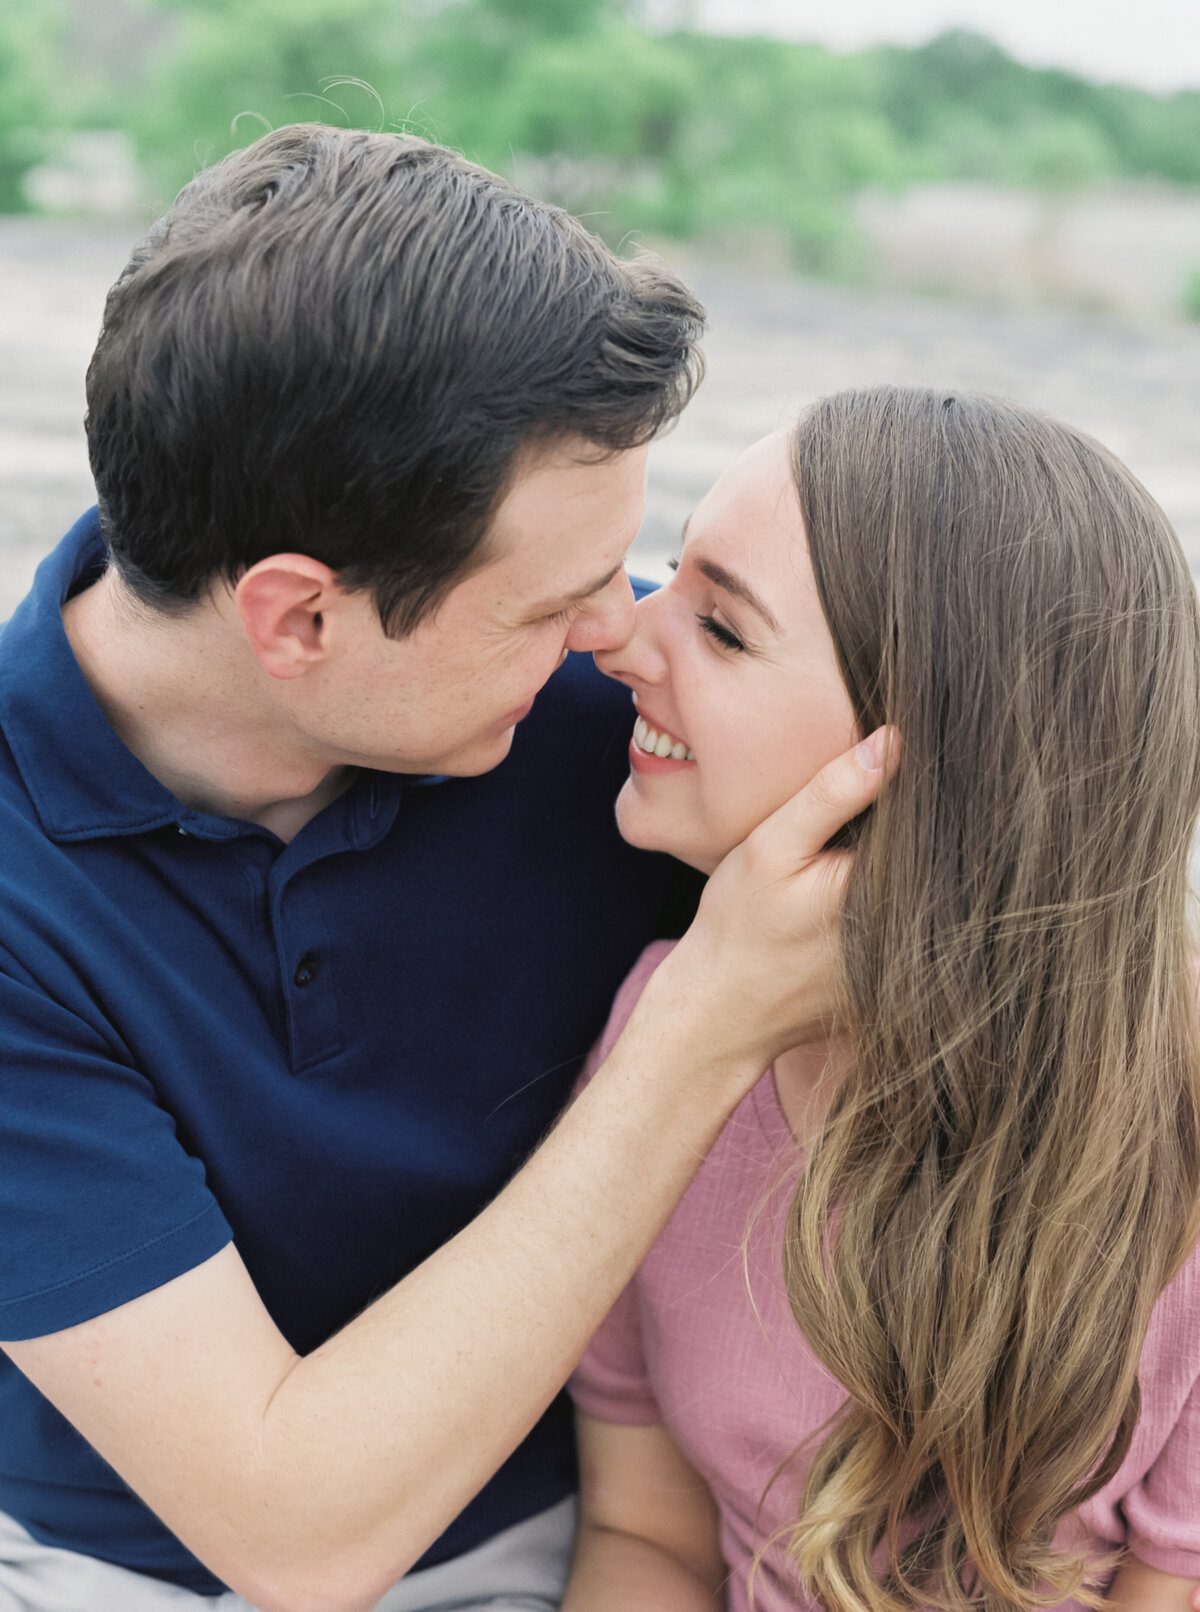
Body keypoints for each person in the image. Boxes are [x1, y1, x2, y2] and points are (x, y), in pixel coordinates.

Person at [0, 127, 887, 1612]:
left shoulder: (613, 702)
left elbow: (1021, 847)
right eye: (556, 601)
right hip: (135, 1566)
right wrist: (705, 1021)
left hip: (586, 1530)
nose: (625, 632)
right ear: (298, 621)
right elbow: (289, 1532)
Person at [563, 387, 1200, 1612]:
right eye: (672, 579)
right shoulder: (665, 1032)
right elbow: (645, 1535)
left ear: (940, 755)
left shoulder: (1174, 1138)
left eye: (725, 630)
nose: (627, 643)